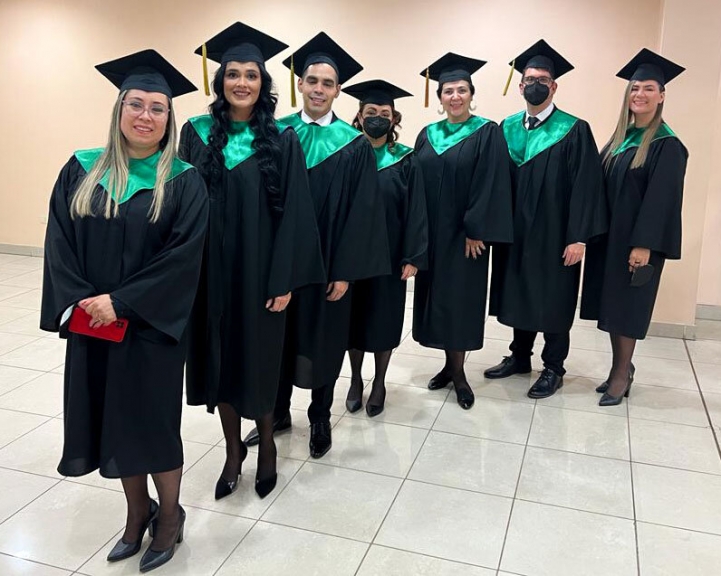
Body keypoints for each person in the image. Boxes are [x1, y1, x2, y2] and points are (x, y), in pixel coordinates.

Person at [40, 50, 208, 573]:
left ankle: (171, 517)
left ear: (169, 120)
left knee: (153, 425)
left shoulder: (183, 180)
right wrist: (83, 301)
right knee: (114, 420)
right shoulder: (81, 168)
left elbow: (185, 257)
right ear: (118, 110)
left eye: (158, 109)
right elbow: (59, 242)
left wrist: (123, 301)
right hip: (94, 324)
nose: (145, 116)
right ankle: (137, 514)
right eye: (135, 104)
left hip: (154, 327)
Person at [180, 23, 325, 501]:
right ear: (219, 81)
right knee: (219, 362)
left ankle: (265, 449)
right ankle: (231, 452)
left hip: (262, 275)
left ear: (265, 84)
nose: (242, 83)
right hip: (210, 276)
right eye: (233, 74)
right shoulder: (196, 134)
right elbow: (180, 206)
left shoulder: (283, 140)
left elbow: (297, 217)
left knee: (260, 363)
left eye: (252, 75)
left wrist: (284, 278)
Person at [243, 33, 390, 457]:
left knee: (323, 341)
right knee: (279, 339)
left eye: (328, 83)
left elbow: (363, 213)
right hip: (280, 266)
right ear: (300, 85)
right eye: (312, 81)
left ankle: (320, 416)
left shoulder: (354, 144)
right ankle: (279, 412)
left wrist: (344, 270)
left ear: (338, 90)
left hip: (328, 266)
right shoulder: (272, 133)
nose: (319, 89)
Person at [486, 40, 607, 398]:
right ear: (520, 86)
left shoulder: (574, 129)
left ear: (554, 86)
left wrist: (579, 237)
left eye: (542, 79)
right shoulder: (506, 128)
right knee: (520, 292)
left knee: (553, 299)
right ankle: (520, 356)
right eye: (529, 79)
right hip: (516, 233)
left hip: (556, 235)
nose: (534, 84)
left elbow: (587, 187)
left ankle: (553, 366)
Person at [581, 49, 687, 406]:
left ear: (662, 95)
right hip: (611, 241)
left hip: (638, 245)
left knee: (627, 310)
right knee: (613, 307)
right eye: (634, 88)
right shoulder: (618, 140)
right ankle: (619, 369)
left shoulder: (666, 145)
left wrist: (643, 246)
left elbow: (661, 202)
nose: (639, 94)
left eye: (648, 88)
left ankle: (621, 374)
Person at [413, 53, 513, 410]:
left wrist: (477, 229)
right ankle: (447, 365)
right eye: (448, 91)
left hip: (464, 237)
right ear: (439, 97)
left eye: (462, 90)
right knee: (436, 302)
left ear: (472, 94)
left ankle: (459, 374)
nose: (455, 96)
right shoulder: (427, 135)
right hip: (432, 237)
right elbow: (416, 184)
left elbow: (490, 183)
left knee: (459, 303)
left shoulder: (487, 132)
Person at [343, 79, 428, 417]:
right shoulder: (346, 154)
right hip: (351, 255)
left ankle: (379, 381)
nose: (377, 118)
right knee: (353, 320)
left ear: (394, 120)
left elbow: (416, 209)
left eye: (384, 113)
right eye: (371, 112)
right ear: (359, 116)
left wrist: (413, 255)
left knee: (383, 319)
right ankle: (355, 379)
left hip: (391, 257)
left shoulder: (405, 158)